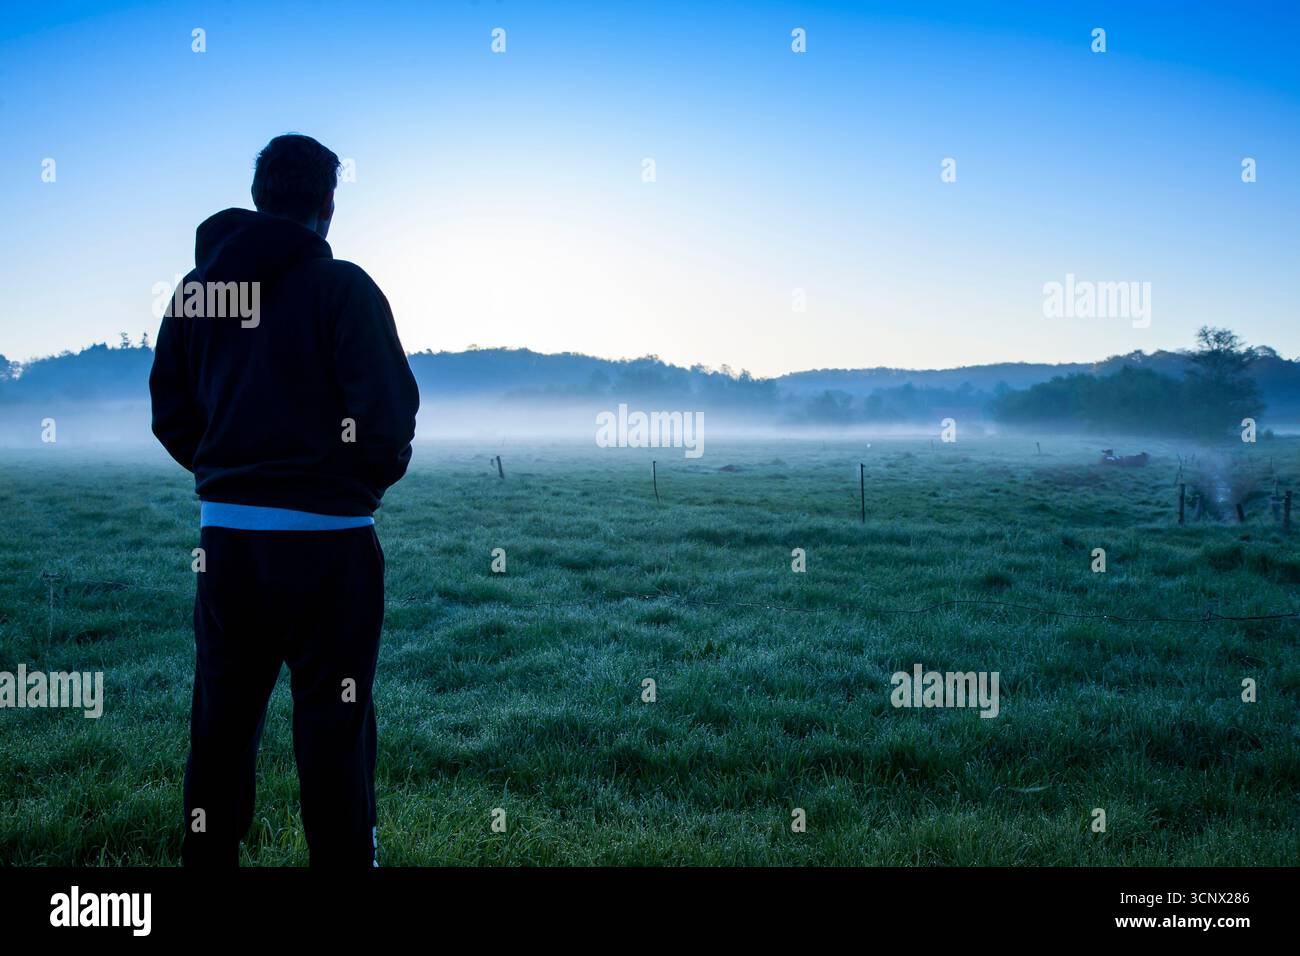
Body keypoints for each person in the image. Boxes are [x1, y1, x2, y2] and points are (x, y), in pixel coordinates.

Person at [149, 133, 419, 866]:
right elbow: (388, 419)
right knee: (334, 728)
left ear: (261, 195)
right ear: (328, 205)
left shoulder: (199, 292)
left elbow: (171, 413)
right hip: (331, 549)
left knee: (221, 725)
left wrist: (230, 478)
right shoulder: (344, 289)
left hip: (228, 544)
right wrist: (351, 486)